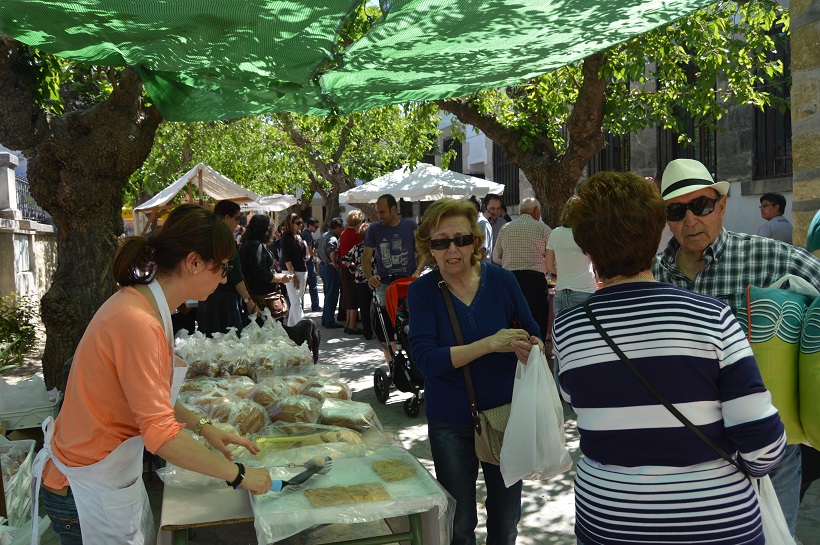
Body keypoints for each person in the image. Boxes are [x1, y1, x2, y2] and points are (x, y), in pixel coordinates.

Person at [554, 171, 786, 545]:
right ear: (657, 232)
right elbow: (764, 446)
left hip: (610, 520)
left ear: (588, 249)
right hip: (715, 522)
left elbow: (577, 402)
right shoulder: (713, 318)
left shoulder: (568, 329)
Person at [33, 204, 272, 545]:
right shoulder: (137, 320)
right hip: (83, 488)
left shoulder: (145, 307)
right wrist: (239, 475)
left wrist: (204, 427)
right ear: (193, 262)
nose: (223, 278)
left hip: (104, 478)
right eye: (221, 268)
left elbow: (149, 397)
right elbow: (161, 437)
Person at [652, 157, 820, 534]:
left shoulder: (769, 256)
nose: (691, 220)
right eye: (677, 211)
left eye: (702, 206)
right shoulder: (655, 274)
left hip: (766, 451)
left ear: (721, 205)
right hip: (687, 452)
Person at [408, 197, 541, 545]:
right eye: (441, 242)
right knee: (459, 521)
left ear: (475, 242)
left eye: (461, 239)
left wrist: (532, 348)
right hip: (450, 421)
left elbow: (534, 333)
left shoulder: (503, 281)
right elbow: (426, 361)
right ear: (430, 248)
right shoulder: (422, 292)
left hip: (504, 417)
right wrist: (488, 343)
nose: (453, 249)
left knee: (506, 515)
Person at [492, 197, 552, 338]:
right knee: (537, 319)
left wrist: (510, 261)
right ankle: (537, 351)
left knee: (513, 319)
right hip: (535, 281)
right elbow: (551, 259)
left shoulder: (506, 228)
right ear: (536, 211)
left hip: (510, 279)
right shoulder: (544, 229)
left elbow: (496, 257)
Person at [196, 200, 255, 336]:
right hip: (224, 302)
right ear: (227, 217)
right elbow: (235, 274)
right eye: (237, 218)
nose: (238, 223)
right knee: (231, 345)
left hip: (205, 300)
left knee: (210, 344)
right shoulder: (224, 239)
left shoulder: (204, 236)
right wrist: (248, 300)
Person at [363, 194, 426, 303]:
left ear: (393, 209)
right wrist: (370, 277)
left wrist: (417, 272)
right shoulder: (374, 228)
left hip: (408, 281)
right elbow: (365, 258)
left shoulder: (411, 226)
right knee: (385, 316)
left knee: (412, 315)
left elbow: (422, 252)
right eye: (378, 212)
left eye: (382, 212)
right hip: (384, 282)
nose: (379, 216)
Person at [545, 201, 598, 315]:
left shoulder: (555, 233)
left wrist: (564, 272)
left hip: (560, 293)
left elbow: (548, 265)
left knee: (562, 331)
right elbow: (596, 262)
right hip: (585, 290)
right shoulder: (586, 234)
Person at [238, 214, 292, 311]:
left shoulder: (248, 243)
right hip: (261, 297)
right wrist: (280, 278)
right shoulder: (255, 245)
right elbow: (261, 273)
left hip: (257, 295)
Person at [341, 222, 375, 340]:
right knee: (377, 306)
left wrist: (353, 268)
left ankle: (367, 332)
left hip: (359, 280)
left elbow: (345, 259)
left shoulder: (357, 247)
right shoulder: (375, 248)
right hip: (373, 280)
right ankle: (377, 330)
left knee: (364, 307)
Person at [280, 213, 309, 327]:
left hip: (302, 270)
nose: (300, 225)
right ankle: (302, 326)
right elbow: (287, 258)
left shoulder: (300, 236)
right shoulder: (286, 238)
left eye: (301, 223)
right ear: (290, 224)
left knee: (297, 301)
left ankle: (292, 327)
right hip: (290, 271)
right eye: (297, 223)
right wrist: (293, 275)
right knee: (296, 301)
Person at [339, 210, 364, 335]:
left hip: (343, 267)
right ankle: (352, 325)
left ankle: (349, 323)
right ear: (358, 222)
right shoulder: (355, 234)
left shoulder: (343, 233)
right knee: (353, 296)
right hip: (352, 267)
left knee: (348, 295)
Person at [318, 218, 344, 329]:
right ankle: (329, 320)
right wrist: (334, 263)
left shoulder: (324, 235)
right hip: (329, 268)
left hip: (323, 267)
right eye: (342, 228)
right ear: (337, 228)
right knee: (332, 295)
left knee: (328, 294)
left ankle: (326, 319)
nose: (342, 230)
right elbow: (333, 251)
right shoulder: (333, 238)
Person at [302, 217, 322, 312]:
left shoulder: (304, 233)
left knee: (304, 286)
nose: (316, 229)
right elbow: (309, 251)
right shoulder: (307, 235)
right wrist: (319, 255)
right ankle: (315, 305)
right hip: (308, 263)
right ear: (309, 225)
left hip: (304, 263)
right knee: (313, 285)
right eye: (315, 227)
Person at [481, 193, 506, 262]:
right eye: (492, 208)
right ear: (485, 207)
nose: (496, 212)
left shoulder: (503, 223)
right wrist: (484, 221)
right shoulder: (479, 222)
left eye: (498, 209)